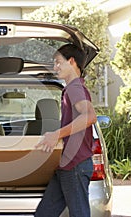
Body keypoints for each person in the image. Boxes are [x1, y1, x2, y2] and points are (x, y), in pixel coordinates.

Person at [34, 44, 97, 217]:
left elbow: (90, 116)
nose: (55, 68)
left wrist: (56, 134)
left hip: (75, 165)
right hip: (66, 165)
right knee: (44, 213)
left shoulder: (75, 88)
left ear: (71, 61)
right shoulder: (72, 88)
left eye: (58, 62)